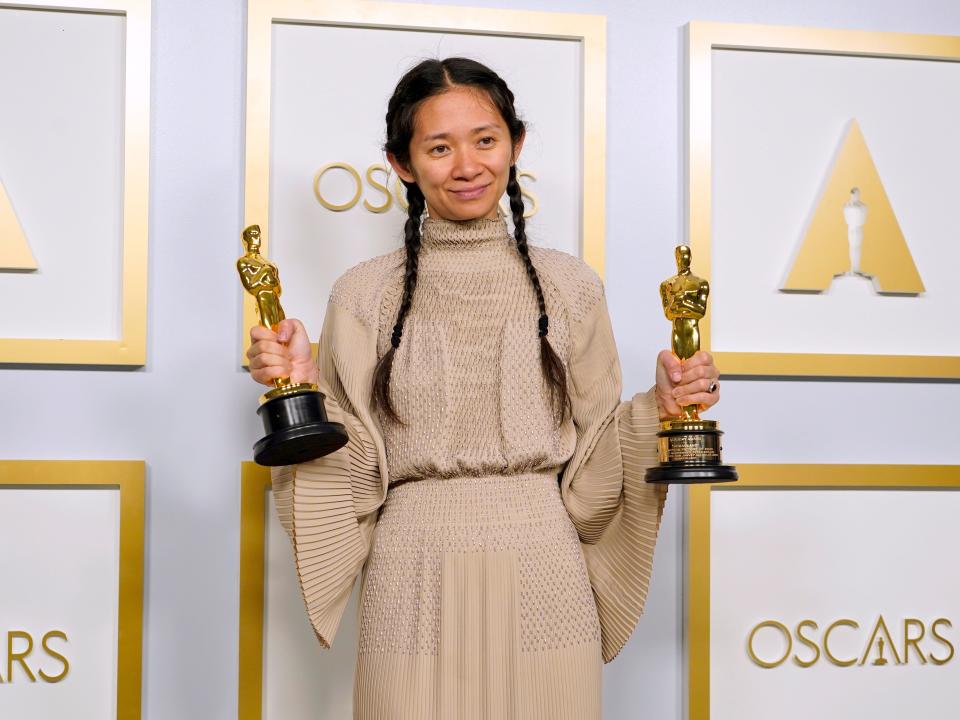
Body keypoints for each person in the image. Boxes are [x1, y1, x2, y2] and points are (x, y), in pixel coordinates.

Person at [247, 57, 720, 720]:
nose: (467, 165)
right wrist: (301, 386)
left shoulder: (572, 286)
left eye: (485, 140)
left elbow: (595, 462)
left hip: (545, 573)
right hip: (411, 574)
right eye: (439, 147)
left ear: (515, 144)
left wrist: (663, 411)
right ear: (403, 164)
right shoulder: (361, 294)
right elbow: (349, 467)